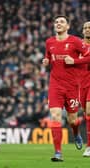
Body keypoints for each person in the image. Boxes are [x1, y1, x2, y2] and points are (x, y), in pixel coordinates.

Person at [42, 15, 90, 162]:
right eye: (56, 22)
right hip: (55, 85)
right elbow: (48, 56)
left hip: (72, 87)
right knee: (55, 116)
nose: (58, 24)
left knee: (72, 120)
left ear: (68, 26)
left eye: (62, 22)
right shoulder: (49, 42)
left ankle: (76, 132)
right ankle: (58, 152)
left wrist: (74, 60)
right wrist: (46, 61)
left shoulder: (75, 41)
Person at [65, 21, 90, 157]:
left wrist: (74, 61)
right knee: (87, 115)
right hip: (80, 84)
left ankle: (89, 147)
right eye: (85, 28)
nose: (87, 30)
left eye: (89, 28)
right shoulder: (78, 45)